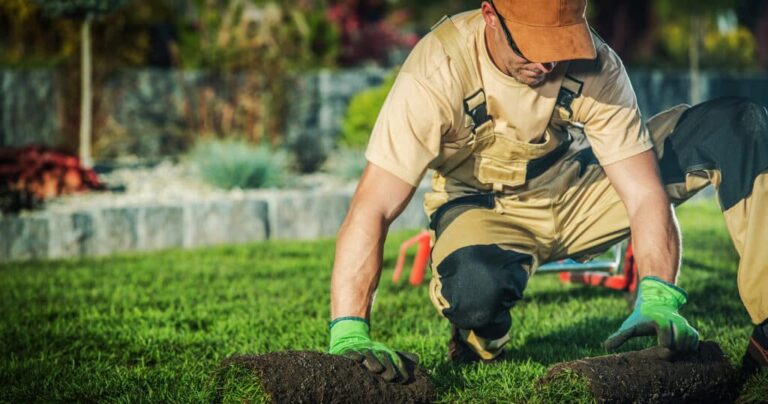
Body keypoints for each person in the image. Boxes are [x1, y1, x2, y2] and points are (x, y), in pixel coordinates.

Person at [327, 0, 768, 383]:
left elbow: (642, 194)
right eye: (533, 47)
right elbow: (373, 207)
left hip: (576, 189)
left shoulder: (598, 64)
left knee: (738, 124)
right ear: (490, 16)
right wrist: (349, 328)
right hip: (483, 207)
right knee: (475, 294)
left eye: (560, 47)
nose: (546, 65)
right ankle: (482, 333)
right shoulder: (437, 68)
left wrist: (657, 294)